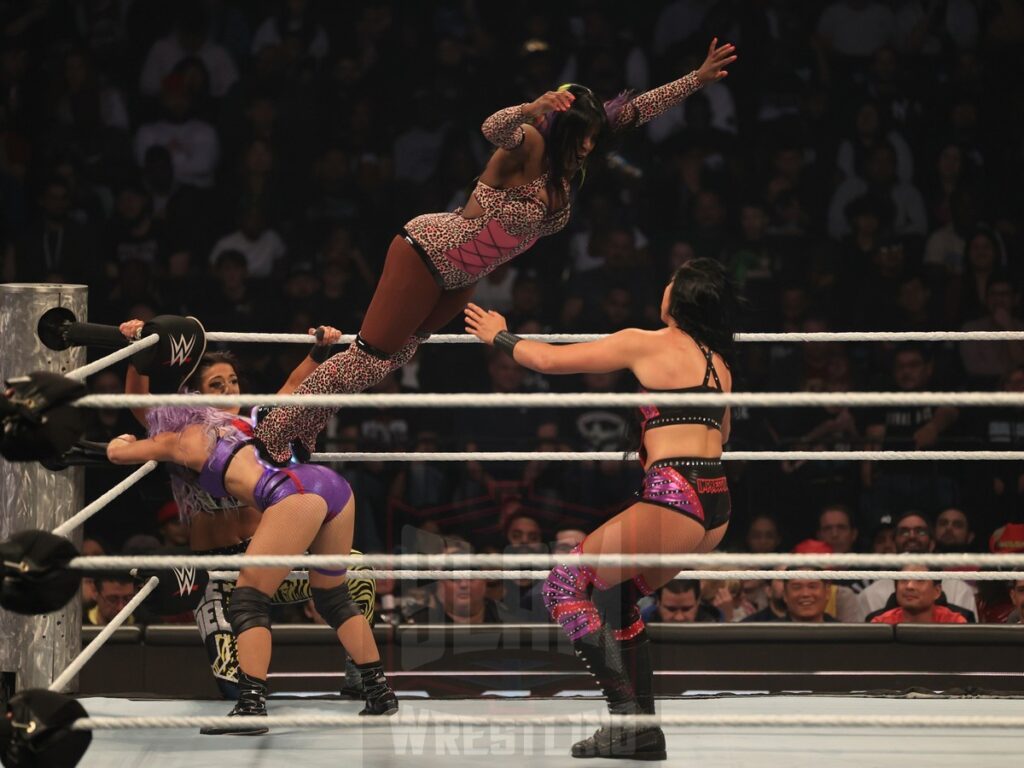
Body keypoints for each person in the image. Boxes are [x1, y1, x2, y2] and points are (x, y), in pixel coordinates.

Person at [253, 39, 738, 464]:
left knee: (387, 359)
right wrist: (531, 107)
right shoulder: (527, 145)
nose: (589, 145)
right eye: (581, 137)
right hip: (427, 251)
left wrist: (696, 79)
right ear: (561, 129)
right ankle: (275, 426)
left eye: (593, 137)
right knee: (368, 353)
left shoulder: (575, 157)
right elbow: (493, 127)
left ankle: (308, 423)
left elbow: (637, 109)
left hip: (462, 276)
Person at [466, 257, 735, 760]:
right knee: (619, 602)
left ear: (678, 298)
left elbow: (547, 361)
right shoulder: (718, 363)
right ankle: (645, 733)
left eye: (670, 281)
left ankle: (627, 720)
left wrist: (499, 336)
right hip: (715, 503)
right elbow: (722, 434)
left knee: (565, 586)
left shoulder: (646, 340)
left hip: (674, 493)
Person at [119, 319, 373, 700]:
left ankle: (361, 674)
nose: (228, 391)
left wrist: (318, 353)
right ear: (193, 394)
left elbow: (291, 388)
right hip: (216, 572)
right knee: (234, 686)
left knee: (359, 572)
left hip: (267, 560)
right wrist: (140, 353)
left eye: (233, 382)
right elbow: (137, 404)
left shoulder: (257, 425)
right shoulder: (181, 433)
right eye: (216, 385)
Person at [106, 407, 397, 734]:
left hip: (295, 496)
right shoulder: (240, 427)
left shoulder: (180, 439)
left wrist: (124, 438)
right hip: (334, 486)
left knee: (248, 600)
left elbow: (117, 453)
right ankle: (379, 691)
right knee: (332, 596)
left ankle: (251, 706)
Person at [869, 565, 968, 624]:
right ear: (896, 588)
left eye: (920, 580)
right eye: (904, 580)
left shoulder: (954, 623)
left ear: (937, 591)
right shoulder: (881, 624)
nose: (910, 586)